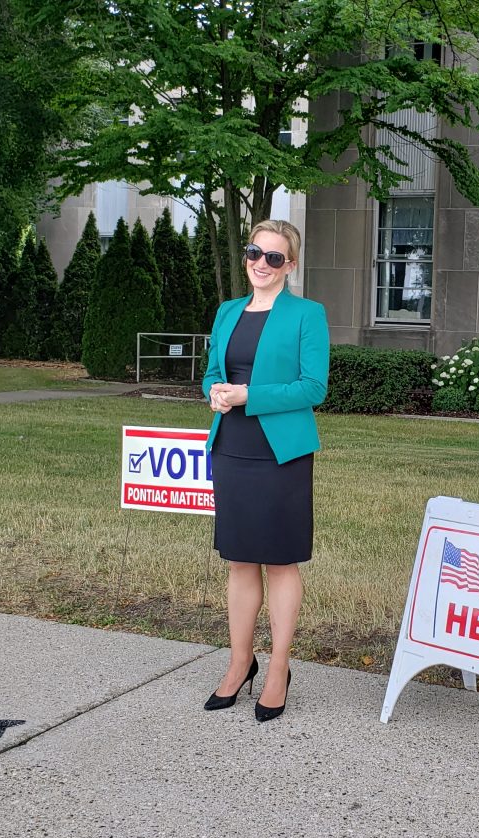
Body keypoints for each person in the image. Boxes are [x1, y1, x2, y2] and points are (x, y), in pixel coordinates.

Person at [202, 219, 329, 722]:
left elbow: (312, 387)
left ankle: (278, 667)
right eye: (256, 252)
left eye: (274, 257)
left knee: (278, 561)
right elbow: (215, 370)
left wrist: (249, 396)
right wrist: (214, 390)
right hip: (231, 446)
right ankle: (239, 661)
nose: (261, 263)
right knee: (238, 559)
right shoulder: (228, 311)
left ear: (289, 266)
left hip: (281, 452)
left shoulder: (307, 314)